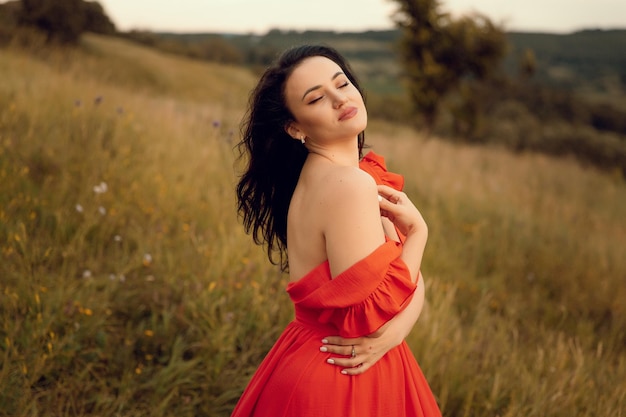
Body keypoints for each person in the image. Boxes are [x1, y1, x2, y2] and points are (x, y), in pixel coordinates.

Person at [233, 44, 441, 417]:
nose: (339, 99)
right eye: (316, 99)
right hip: (341, 375)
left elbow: (402, 287)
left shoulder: (334, 177)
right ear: (295, 127)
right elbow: (373, 314)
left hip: (319, 358)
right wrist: (420, 234)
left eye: (341, 83)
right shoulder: (348, 185)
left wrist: (394, 334)